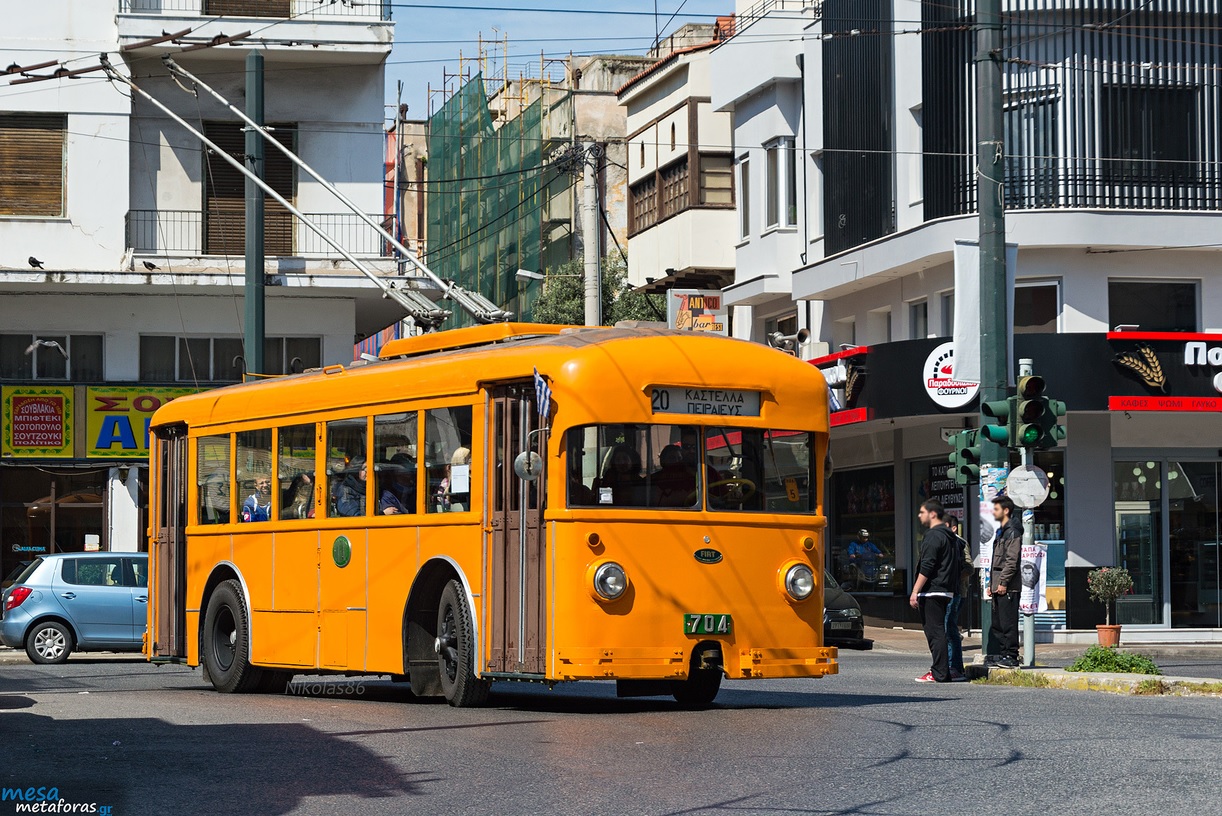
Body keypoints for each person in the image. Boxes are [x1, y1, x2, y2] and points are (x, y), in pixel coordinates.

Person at [910, 500, 962, 683]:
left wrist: (915, 590)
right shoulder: (950, 537)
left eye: (922, 512)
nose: (919, 515)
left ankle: (939, 672)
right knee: (940, 630)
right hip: (947, 589)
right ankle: (944, 671)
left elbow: (927, 565)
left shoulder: (933, 536)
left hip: (932, 590)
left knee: (935, 632)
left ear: (932, 514)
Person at [989, 495, 1023, 668]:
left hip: (1008, 587)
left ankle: (1011, 656)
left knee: (1008, 622)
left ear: (1006, 510)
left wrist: (1003, 582)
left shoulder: (1013, 531)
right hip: (998, 585)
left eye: (996, 509)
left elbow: (1012, 560)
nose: (993, 512)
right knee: (998, 623)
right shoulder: (1001, 531)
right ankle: (1003, 655)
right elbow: (996, 561)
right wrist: (991, 585)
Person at [944, 515, 973, 681]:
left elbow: (969, 567)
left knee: (950, 629)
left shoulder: (960, 542)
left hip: (957, 593)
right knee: (947, 629)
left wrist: (954, 579)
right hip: (945, 593)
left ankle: (955, 666)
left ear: (954, 528)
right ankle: (949, 665)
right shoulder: (943, 542)